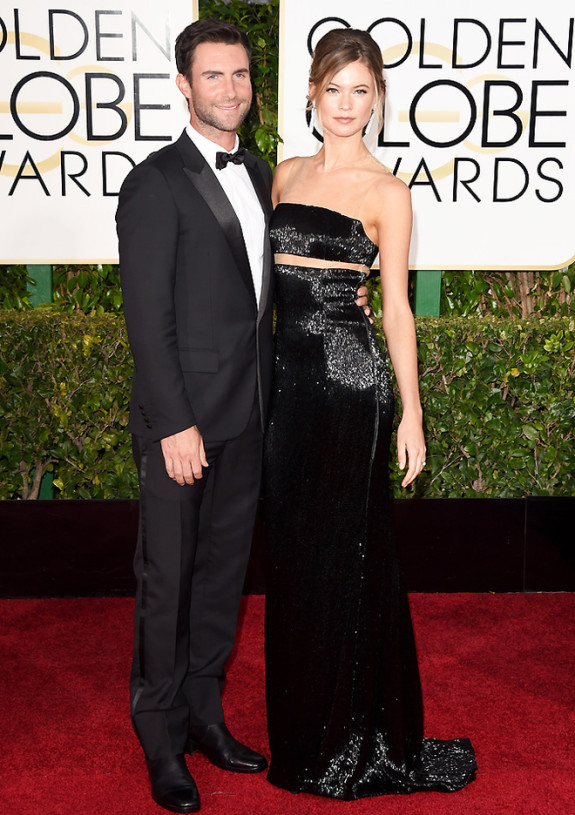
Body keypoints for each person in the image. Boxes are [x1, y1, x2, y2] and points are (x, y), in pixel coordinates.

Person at [117, 18, 370, 813]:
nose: (230, 89)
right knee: (169, 584)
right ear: (184, 86)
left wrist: (346, 290)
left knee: (222, 582)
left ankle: (203, 715)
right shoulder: (152, 182)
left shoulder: (263, 172)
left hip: (255, 417)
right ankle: (160, 740)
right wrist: (171, 423)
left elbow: (285, 276)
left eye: (240, 75)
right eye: (213, 76)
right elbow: (146, 319)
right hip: (184, 427)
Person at [263, 28, 477, 799]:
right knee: (293, 561)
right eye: (333, 89)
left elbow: (394, 311)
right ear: (312, 96)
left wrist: (411, 414)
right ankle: (301, 733)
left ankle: (354, 739)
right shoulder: (283, 175)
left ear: (377, 98)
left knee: (349, 559)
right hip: (286, 394)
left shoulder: (390, 193)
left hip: (353, 391)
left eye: (361, 90)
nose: (345, 105)